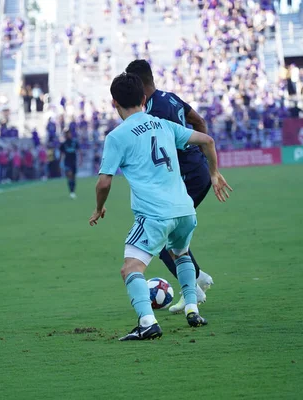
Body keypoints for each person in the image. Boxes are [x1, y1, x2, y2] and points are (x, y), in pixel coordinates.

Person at [89, 73, 231, 340]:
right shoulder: (164, 125)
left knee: (131, 269)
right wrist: (214, 173)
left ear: (113, 102)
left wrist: (99, 208)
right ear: (144, 98)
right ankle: (192, 308)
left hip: (155, 214)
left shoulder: (117, 136)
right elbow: (208, 141)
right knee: (182, 253)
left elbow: (103, 183)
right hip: (185, 210)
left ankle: (146, 322)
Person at [125, 59, 232, 313]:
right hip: (196, 172)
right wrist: (209, 168)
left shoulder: (153, 111)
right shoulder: (169, 98)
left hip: (187, 177)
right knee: (173, 230)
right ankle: (198, 277)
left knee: (162, 238)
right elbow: (200, 122)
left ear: (138, 84)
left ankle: (192, 291)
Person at [60, 129, 80, 199]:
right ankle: (71, 191)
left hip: (73, 162)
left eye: (69, 133)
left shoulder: (75, 142)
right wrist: (61, 163)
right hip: (67, 162)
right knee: (69, 175)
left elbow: (79, 151)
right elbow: (62, 154)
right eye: (66, 134)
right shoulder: (63, 144)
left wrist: (80, 160)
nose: (68, 135)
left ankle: (73, 191)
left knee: (73, 177)